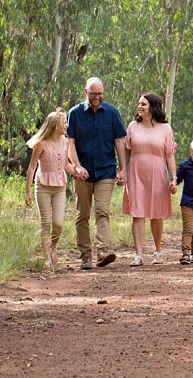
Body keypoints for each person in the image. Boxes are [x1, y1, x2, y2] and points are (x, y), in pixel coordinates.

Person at [67, 77, 128, 270]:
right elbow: (70, 143)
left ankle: (103, 251)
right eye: (94, 94)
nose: (97, 97)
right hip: (83, 173)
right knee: (82, 214)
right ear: (86, 92)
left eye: (100, 94)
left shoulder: (112, 112)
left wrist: (123, 168)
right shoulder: (75, 113)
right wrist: (76, 166)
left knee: (102, 211)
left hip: (105, 170)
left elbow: (119, 141)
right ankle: (85, 255)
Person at [122, 92, 178, 266]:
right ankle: (138, 254)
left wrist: (173, 178)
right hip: (136, 174)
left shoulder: (165, 129)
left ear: (153, 107)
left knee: (156, 214)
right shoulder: (132, 126)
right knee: (137, 213)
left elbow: (169, 156)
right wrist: (122, 171)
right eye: (139, 104)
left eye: (143, 104)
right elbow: (126, 152)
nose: (139, 107)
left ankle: (157, 251)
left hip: (158, 175)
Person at [24, 109, 76, 269]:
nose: (67, 125)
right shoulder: (41, 144)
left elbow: (65, 164)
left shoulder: (65, 142)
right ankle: (47, 256)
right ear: (55, 125)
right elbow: (31, 168)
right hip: (43, 186)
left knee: (58, 223)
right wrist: (27, 192)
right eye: (64, 123)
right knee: (46, 223)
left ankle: (52, 247)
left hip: (60, 186)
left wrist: (77, 172)